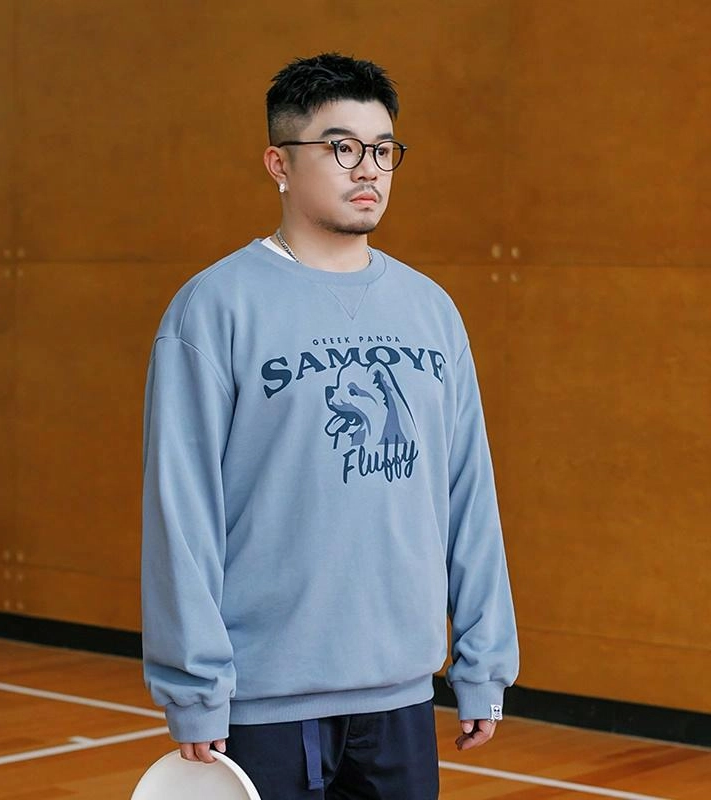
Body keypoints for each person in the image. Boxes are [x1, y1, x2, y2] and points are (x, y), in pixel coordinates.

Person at [141, 52, 519, 799]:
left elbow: (469, 496)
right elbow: (181, 514)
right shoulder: (213, 309)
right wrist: (195, 686)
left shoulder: (431, 310)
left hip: (401, 695)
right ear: (279, 164)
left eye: (383, 149)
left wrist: (483, 663)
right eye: (342, 147)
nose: (368, 168)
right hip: (262, 704)